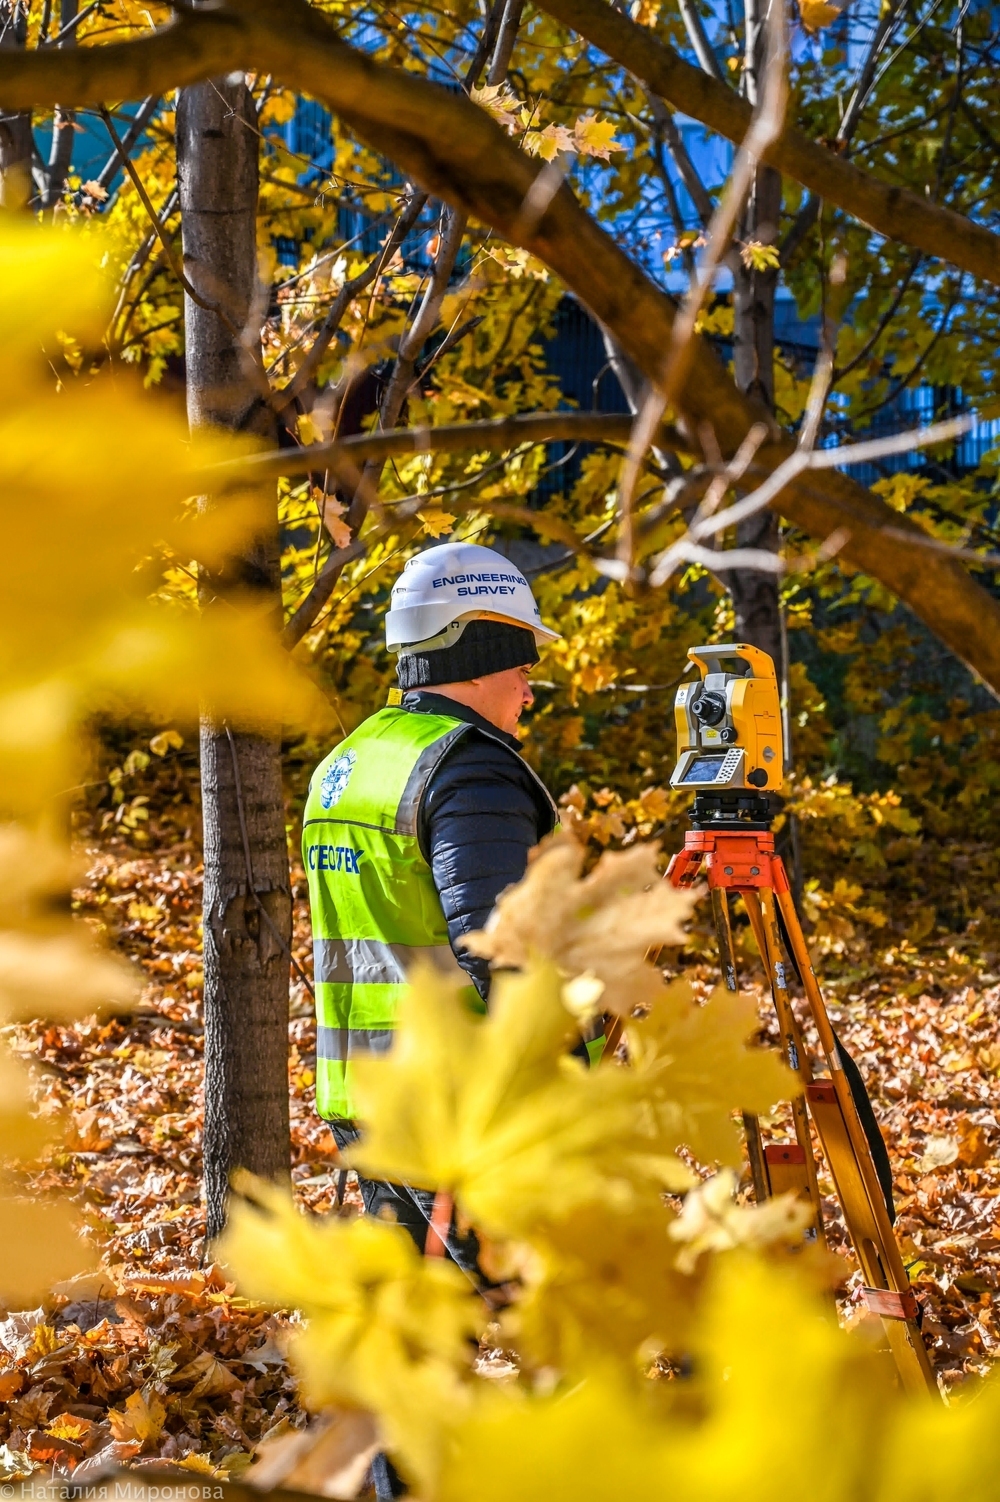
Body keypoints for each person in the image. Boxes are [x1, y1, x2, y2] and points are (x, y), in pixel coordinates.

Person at [302, 541, 560, 1267]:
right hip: (457, 1111)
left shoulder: (347, 765)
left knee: (427, 1331)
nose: (529, 691)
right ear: (478, 656)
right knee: (549, 1319)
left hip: (364, 1095)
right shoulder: (470, 768)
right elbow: (497, 947)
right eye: (521, 666)